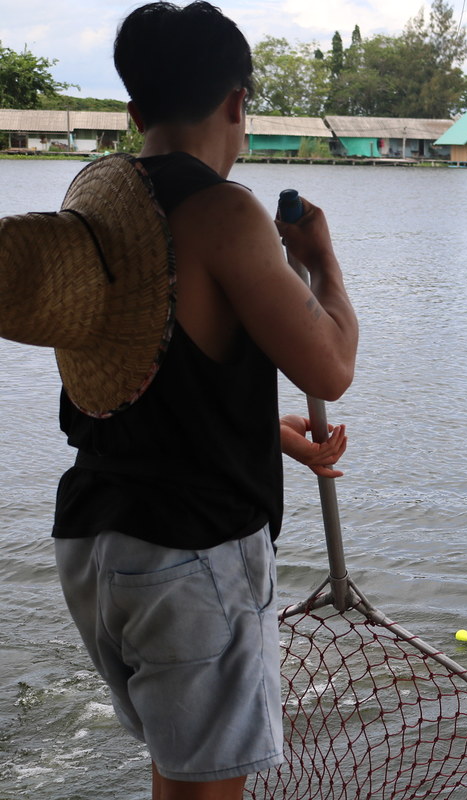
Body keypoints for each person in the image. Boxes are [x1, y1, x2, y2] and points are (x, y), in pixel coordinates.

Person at [0, 3, 358, 798]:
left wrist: (268, 435)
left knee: (180, 775)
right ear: (237, 102)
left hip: (96, 545)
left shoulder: (101, 210)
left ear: (133, 110)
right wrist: (324, 261)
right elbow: (331, 366)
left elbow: (143, 381)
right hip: (190, 557)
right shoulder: (224, 212)